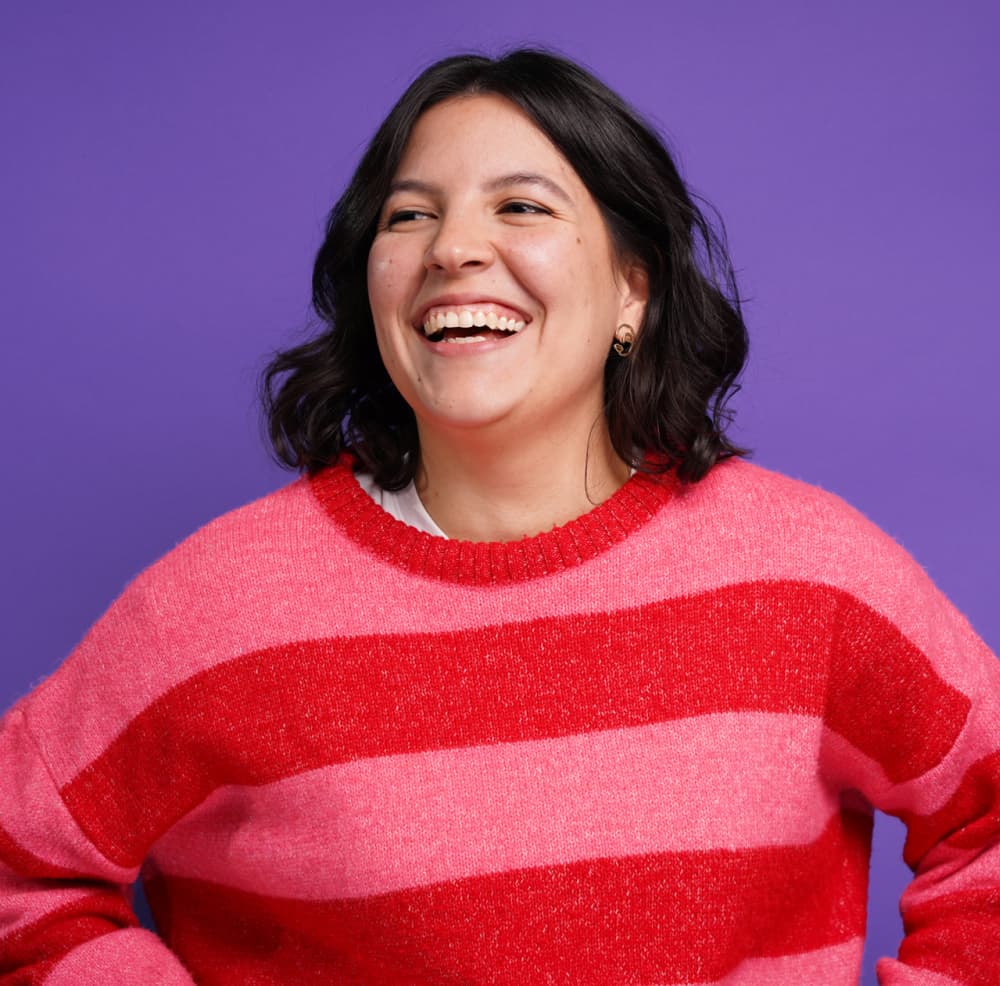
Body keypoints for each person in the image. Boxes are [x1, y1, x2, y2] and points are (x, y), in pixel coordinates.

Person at [1, 48, 997, 986]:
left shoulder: (806, 574)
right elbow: (18, 877)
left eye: (520, 205)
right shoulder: (220, 604)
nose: (452, 248)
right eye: (408, 216)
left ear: (633, 290)